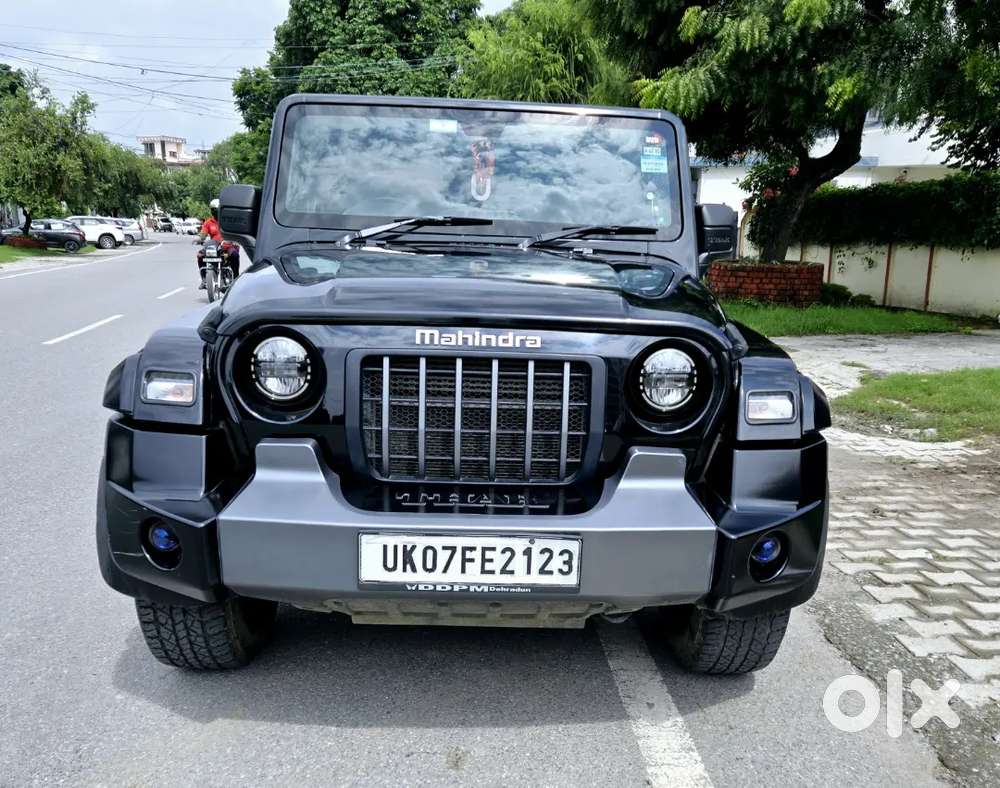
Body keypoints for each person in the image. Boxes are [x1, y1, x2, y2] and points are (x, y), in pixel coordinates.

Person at [196, 199, 240, 289]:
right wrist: (199, 238)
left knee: (235, 255)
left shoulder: (228, 220)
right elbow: (203, 234)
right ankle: (204, 279)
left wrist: (235, 240)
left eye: (215, 210)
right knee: (200, 255)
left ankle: (236, 278)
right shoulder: (208, 222)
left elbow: (235, 232)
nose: (214, 212)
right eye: (212, 210)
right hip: (214, 246)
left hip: (228, 246)